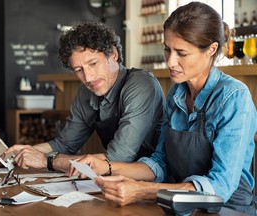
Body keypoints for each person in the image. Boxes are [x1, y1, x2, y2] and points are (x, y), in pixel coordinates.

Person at [69, 2, 257, 215]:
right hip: (180, 205)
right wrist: (106, 166)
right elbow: (160, 162)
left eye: (181, 53)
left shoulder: (234, 97)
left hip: (227, 209)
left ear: (211, 50)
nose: (170, 61)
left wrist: (144, 191)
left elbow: (220, 187)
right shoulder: (177, 95)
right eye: (167, 49)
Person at [0, 22, 166, 173]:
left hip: (154, 181)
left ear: (113, 55)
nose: (88, 78)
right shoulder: (86, 92)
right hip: (116, 180)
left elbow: (119, 157)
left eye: (93, 64)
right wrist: (13, 154)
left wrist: (47, 161)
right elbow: (64, 144)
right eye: (79, 70)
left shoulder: (141, 84)